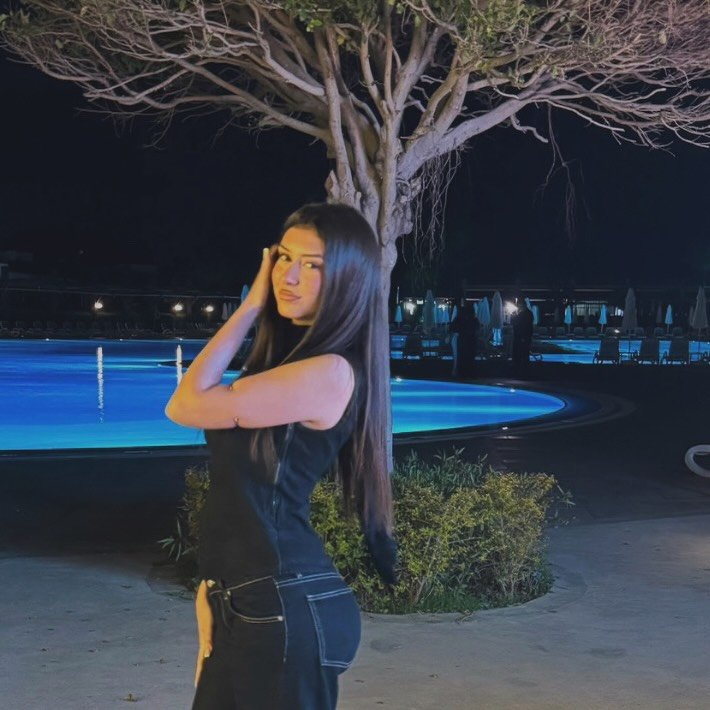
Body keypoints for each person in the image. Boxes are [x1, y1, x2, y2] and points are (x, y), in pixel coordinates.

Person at [165, 203, 397, 709]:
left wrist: (250, 306)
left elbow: (184, 405)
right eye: (284, 257)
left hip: (285, 604)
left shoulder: (330, 372)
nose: (288, 276)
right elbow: (241, 491)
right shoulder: (288, 365)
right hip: (245, 599)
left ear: (348, 280)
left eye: (313, 265)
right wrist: (214, 586)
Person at [449, 299, 480, 378]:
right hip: (470, 340)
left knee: (462, 356)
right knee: (469, 357)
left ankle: (462, 372)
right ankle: (469, 373)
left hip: (462, 340)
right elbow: (477, 328)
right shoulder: (473, 319)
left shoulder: (459, 318)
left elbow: (452, 327)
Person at [511, 298, 534, 371]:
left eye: (519, 305)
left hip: (522, 336)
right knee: (523, 353)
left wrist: (523, 337)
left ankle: (521, 368)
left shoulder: (525, 314)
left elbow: (524, 326)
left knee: (522, 352)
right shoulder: (527, 313)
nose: (518, 307)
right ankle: (522, 367)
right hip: (523, 336)